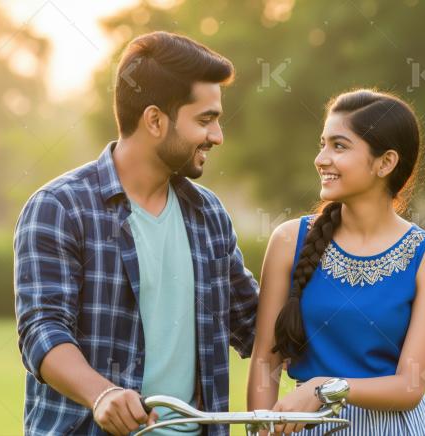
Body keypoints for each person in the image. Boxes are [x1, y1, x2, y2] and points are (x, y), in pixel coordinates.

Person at [14, 31, 258, 436]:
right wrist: (102, 394)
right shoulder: (59, 207)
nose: (217, 136)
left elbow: (254, 323)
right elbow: (43, 330)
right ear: (155, 120)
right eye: (205, 120)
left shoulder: (209, 214)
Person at [247, 89, 425, 435]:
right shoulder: (288, 241)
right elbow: (265, 360)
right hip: (310, 427)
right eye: (322, 144)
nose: (321, 159)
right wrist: (262, 428)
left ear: (385, 163)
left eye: (339, 146)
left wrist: (324, 388)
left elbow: (410, 386)